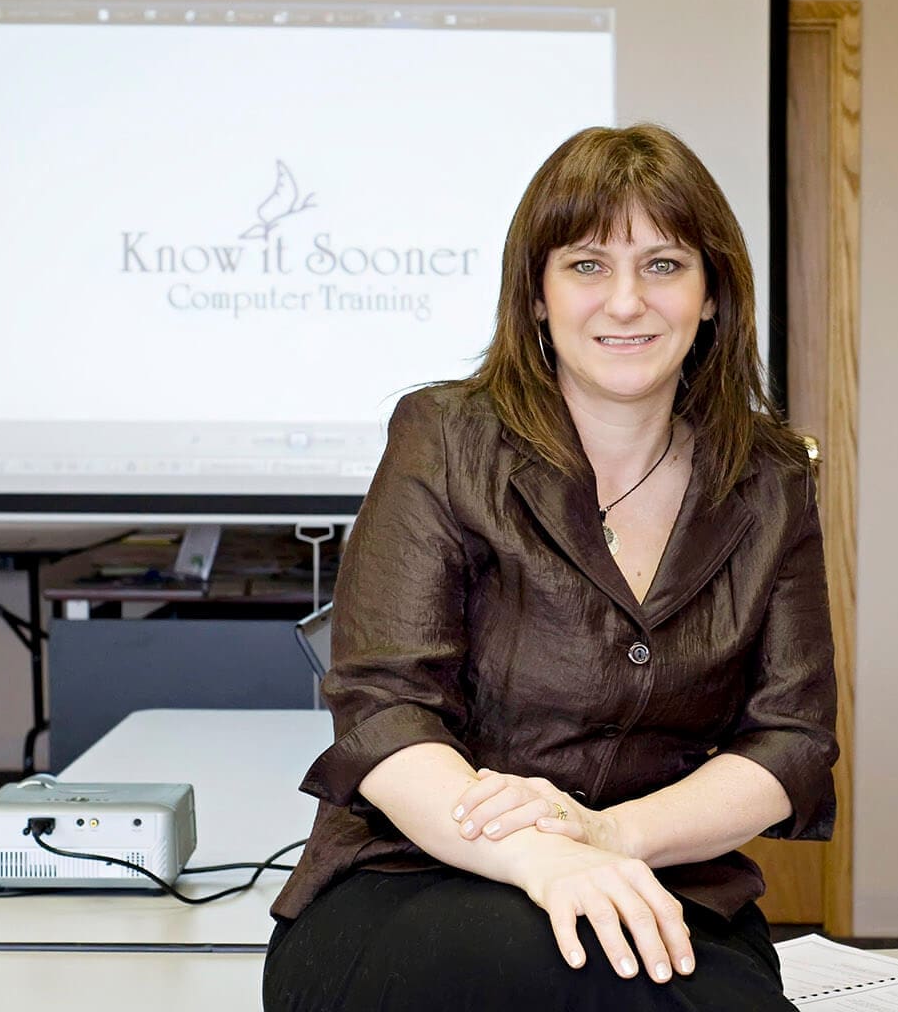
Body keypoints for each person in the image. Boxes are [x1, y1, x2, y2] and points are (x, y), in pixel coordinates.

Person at [263, 124, 838, 1011]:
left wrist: (606, 836)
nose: (625, 303)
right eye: (586, 266)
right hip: (415, 881)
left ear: (713, 292)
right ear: (535, 295)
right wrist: (545, 858)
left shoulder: (771, 481)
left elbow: (790, 743)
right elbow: (384, 715)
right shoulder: (445, 438)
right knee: (573, 979)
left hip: (659, 886)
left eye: (662, 265)